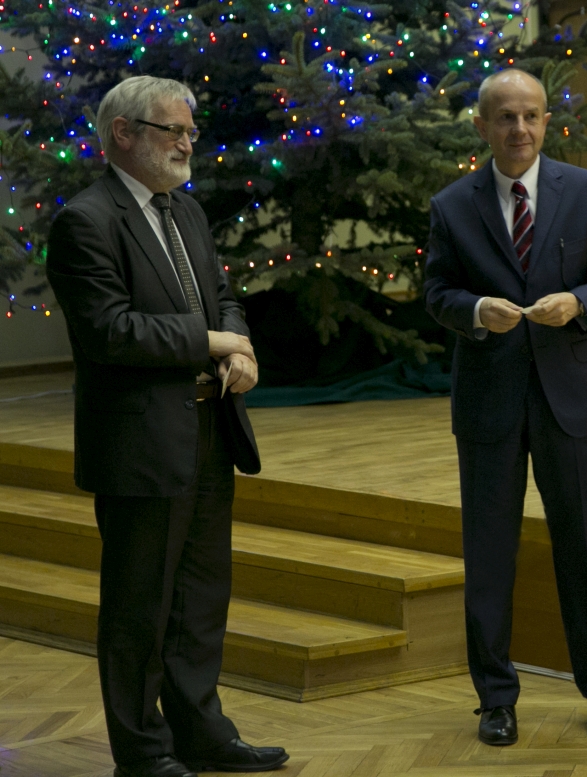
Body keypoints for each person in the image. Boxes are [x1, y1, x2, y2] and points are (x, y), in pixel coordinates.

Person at [47, 76, 289, 777]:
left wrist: (237, 347)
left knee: (199, 600)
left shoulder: (186, 211)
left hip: (210, 429)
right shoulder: (86, 221)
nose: (187, 143)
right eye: (172, 130)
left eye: (190, 131)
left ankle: (201, 732)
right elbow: (109, 331)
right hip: (139, 443)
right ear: (124, 133)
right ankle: (143, 752)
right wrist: (212, 341)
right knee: (139, 608)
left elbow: (223, 296)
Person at [424, 70, 587, 746]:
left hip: (571, 398)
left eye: (531, 116)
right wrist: (476, 309)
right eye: (505, 117)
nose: (520, 129)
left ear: (547, 122)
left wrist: (580, 302)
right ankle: (495, 698)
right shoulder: (452, 205)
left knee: (584, 544)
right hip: (489, 402)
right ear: (482, 126)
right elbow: (437, 291)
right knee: (489, 552)